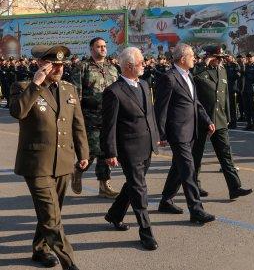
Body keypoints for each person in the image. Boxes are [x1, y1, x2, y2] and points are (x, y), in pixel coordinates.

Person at [10, 45, 88, 270]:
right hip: (36, 164)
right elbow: (18, 112)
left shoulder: (69, 89)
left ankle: (40, 249)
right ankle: (70, 263)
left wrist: (83, 153)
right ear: (41, 64)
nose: (59, 68)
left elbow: (77, 123)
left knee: (50, 212)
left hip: (63, 161)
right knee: (52, 217)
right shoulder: (24, 87)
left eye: (61, 65)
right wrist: (36, 83)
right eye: (54, 64)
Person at [101, 47, 159, 250]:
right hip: (129, 148)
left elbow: (149, 114)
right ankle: (146, 232)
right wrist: (110, 152)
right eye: (141, 62)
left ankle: (114, 214)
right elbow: (109, 126)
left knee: (134, 185)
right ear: (128, 66)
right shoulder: (114, 92)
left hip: (147, 144)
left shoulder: (143, 84)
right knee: (139, 189)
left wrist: (156, 137)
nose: (145, 65)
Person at [155, 43, 216, 224]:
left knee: (178, 167)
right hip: (177, 132)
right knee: (188, 169)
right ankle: (196, 210)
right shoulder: (169, 78)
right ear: (182, 59)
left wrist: (207, 120)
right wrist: (161, 134)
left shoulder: (188, 76)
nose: (194, 59)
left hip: (191, 129)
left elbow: (195, 102)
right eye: (192, 56)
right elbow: (160, 108)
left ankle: (166, 201)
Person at [191, 44, 253, 198]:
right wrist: (204, 63)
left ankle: (234, 188)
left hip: (219, 119)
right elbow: (190, 78)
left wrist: (227, 117)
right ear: (209, 57)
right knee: (196, 155)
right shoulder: (200, 70)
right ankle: (194, 186)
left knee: (226, 155)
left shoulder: (223, 70)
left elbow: (224, 96)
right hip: (201, 120)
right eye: (217, 58)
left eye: (221, 58)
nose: (219, 61)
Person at [71, 37, 120, 198]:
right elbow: (76, 94)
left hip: (109, 117)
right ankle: (78, 170)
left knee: (107, 150)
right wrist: (76, 118)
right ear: (91, 49)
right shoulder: (82, 67)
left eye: (104, 46)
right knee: (92, 151)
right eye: (99, 46)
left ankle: (104, 184)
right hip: (89, 117)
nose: (103, 49)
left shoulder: (112, 68)